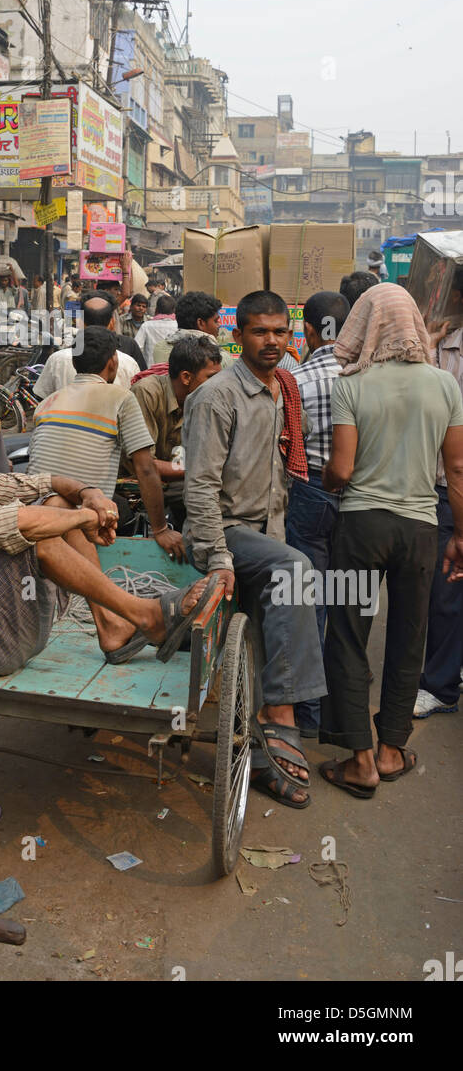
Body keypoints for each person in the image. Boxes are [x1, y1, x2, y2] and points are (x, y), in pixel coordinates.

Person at [0, 388, 220, 675]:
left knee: (56, 502)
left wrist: (88, 493)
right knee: (38, 534)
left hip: (4, 622)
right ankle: (145, 615)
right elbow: (21, 523)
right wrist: (85, 519)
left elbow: (44, 481)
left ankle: (110, 624)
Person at [183, 290, 327, 809]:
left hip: (265, 534)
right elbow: (199, 486)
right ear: (237, 335)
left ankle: (263, 756)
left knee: (277, 629)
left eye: (280, 332)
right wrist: (219, 558)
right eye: (260, 332)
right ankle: (280, 715)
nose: (272, 341)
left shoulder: (281, 391)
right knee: (296, 569)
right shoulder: (218, 395)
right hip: (222, 533)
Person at [319, 285, 463, 796]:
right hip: (423, 526)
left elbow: (342, 468)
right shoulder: (445, 385)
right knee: (409, 636)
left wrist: (330, 484)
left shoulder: (351, 384)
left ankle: (359, 757)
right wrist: (460, 535)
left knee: (347, 633)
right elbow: (458, 467)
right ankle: (392, 748)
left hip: (361, 524)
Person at [29, 327, 184, 563]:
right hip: (81, 517)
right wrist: (161, 530)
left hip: (36, 512)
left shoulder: (47, 403)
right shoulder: (120, 398)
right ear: (113, 362)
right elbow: (144, 468)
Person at [284, 289, 351, 737]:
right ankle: (341, 715)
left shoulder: (294, 382)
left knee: (307, 603)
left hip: (309, 495)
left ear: (308, 331)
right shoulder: (361, 377)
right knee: (349, 600)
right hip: (357, 498)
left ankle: (306, 715)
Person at [414, 283, 463, 718]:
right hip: (443, 485)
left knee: (449, 590)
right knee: (446, 590)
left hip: (454, 482)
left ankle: (444, 680)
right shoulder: (440, 346)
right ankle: (443, 680)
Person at [128, 334, 222, 486]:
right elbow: (145, 465)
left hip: (178, 482)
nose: (218, 384)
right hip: (138, 486)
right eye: (211, 377)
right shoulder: (147, 392)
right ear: (186, 377)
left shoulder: (205, 401)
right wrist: (200, 469)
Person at [33, 296, 142, 398]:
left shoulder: (57, 359)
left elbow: (42, 397)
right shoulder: (128, 363)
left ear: (80, 322)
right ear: (112, 323)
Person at [136, 292, 180, 365]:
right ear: (174, 310)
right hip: (173, 370)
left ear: (156, 309)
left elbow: (137, 347)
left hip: (151, 369)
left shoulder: (146, 326)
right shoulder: (178, 326)